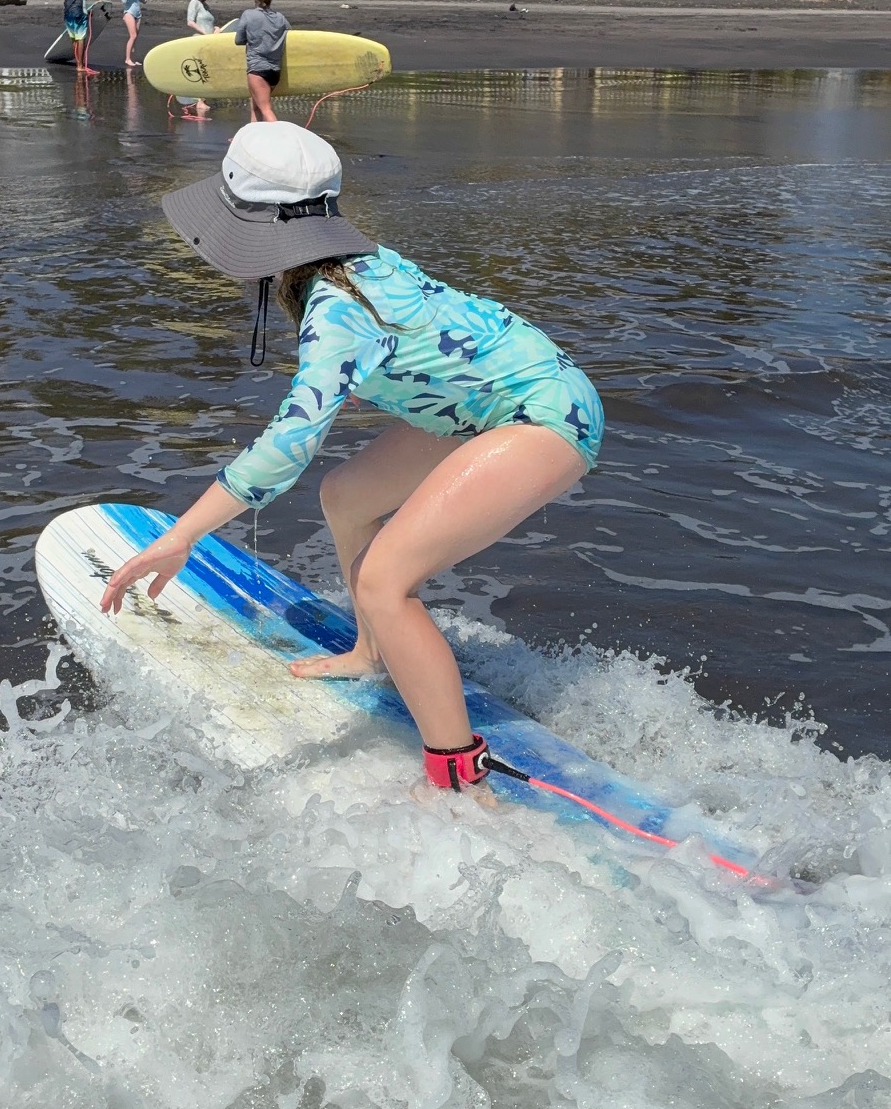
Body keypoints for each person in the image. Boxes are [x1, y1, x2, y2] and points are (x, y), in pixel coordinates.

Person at [100, 123, 603, 796]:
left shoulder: (336, 305)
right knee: (346, 495)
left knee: (384, 578)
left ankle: (456, 775)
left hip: (545, 413)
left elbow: (287, 445)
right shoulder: (348, 270)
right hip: (481, 406)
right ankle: (372, 652)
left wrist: (181, 536)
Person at [233, 0, 290, 122]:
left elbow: (238, 40)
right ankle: (254, 139)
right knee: (255, 107)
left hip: (257, 69)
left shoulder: (248, 15)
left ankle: (282, 139)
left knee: (265, 109)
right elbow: (290, 35)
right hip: (275, 72)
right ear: (270, 0)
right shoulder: (280, 18)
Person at [63, 0, 102, 76]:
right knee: (81, 38)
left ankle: (78, 63)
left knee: (74, 38)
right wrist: (91, 10)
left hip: (67, 12)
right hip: (80, 13)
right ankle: (80, 66)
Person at [120, 0, 144, 68]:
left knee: (135, 37)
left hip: (137, 14)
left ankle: (133, 59)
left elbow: (144, 1)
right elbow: (124, 0)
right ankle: (128, 59)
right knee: (133, 35)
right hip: (128, 13)